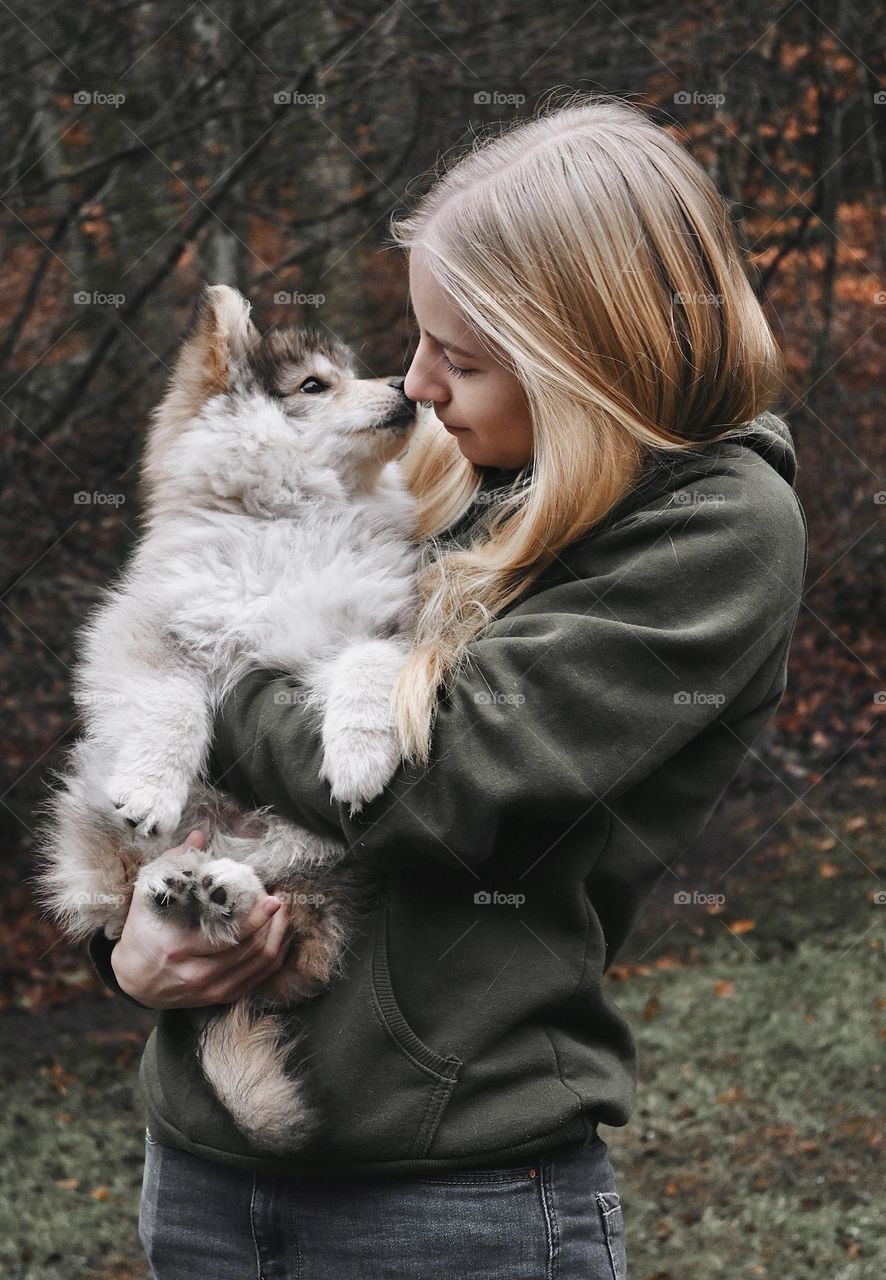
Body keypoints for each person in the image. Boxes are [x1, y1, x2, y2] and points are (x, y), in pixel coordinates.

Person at [87, 93, 808, 1279]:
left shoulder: (712, 527)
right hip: (208, 1161)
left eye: (458, 356)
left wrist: (200, 676)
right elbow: (146, 743)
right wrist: (131, 943)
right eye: (418, 340)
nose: (415, 385)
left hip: (453, 1194)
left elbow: (438, 782)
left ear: (589, 349)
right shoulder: (442, 462)